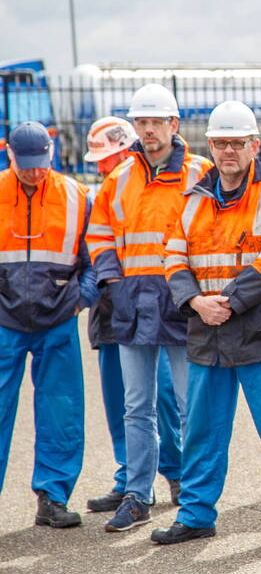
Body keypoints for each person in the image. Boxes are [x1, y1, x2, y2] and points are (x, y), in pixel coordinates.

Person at [153, 100, 261, 547]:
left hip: (260, 328)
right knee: (202, 433)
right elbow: (172, 254)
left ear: (254, 145)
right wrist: (194, 301)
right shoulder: (191, 198)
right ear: (210, 145)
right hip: (208, 330)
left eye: (237, 143)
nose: (229, 151)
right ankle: (195, 515)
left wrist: (222, 301)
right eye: (221, 143)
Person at [86, 83, 211, 532]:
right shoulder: (118, 178)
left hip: (182, 302)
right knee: (137, 405)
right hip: (132, 302)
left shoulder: (200, 172)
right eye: (142, 122)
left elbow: (213, 229)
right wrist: (111, 279)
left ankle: (193, 493)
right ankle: (139, 495)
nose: (150, 130)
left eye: (158, 121)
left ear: (174, 125)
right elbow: (99, 233)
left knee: (190, 402)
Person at [81, 117, 183, 513]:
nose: (101, 166)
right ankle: (130, 479)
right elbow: (92, 248)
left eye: (107, 158)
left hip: (157, 306)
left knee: (167, 401)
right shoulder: (107, 188)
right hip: (115, 312)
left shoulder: (141, 180)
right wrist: (105, 287)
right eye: (98, 161)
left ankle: (174, 472)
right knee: (125, 402)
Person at [0, 121, 96, 527]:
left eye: (41, 164)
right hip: (4, 321)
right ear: (10, 155)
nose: (35, 173)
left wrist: (78, 302)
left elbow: (98, 263)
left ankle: (53, 497)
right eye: (27, 166)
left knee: (62, 410)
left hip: (57, 319)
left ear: (51, 154)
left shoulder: (76, 197)